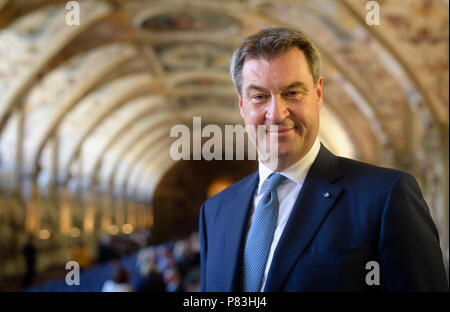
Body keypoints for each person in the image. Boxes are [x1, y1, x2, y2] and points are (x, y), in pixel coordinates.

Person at [199, 27, 449, 292]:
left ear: (318, 94)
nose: (276, 113)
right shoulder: (215, 212)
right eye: (259, 97)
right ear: (242, 105)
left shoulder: (385, 197)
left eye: (292, 93)